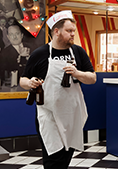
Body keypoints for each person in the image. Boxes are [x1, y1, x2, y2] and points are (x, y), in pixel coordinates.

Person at [19, 11, 96, 169]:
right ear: (56, 31)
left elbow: (92, 78)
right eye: (69, 31)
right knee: (53, 157)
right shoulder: (40, 54)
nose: (73, 34)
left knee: (66, 156)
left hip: (71, 114)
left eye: (74, 31)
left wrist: (77, 73)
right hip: (49, 115)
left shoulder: (78, 52)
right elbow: (23, 80)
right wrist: (31, 82)